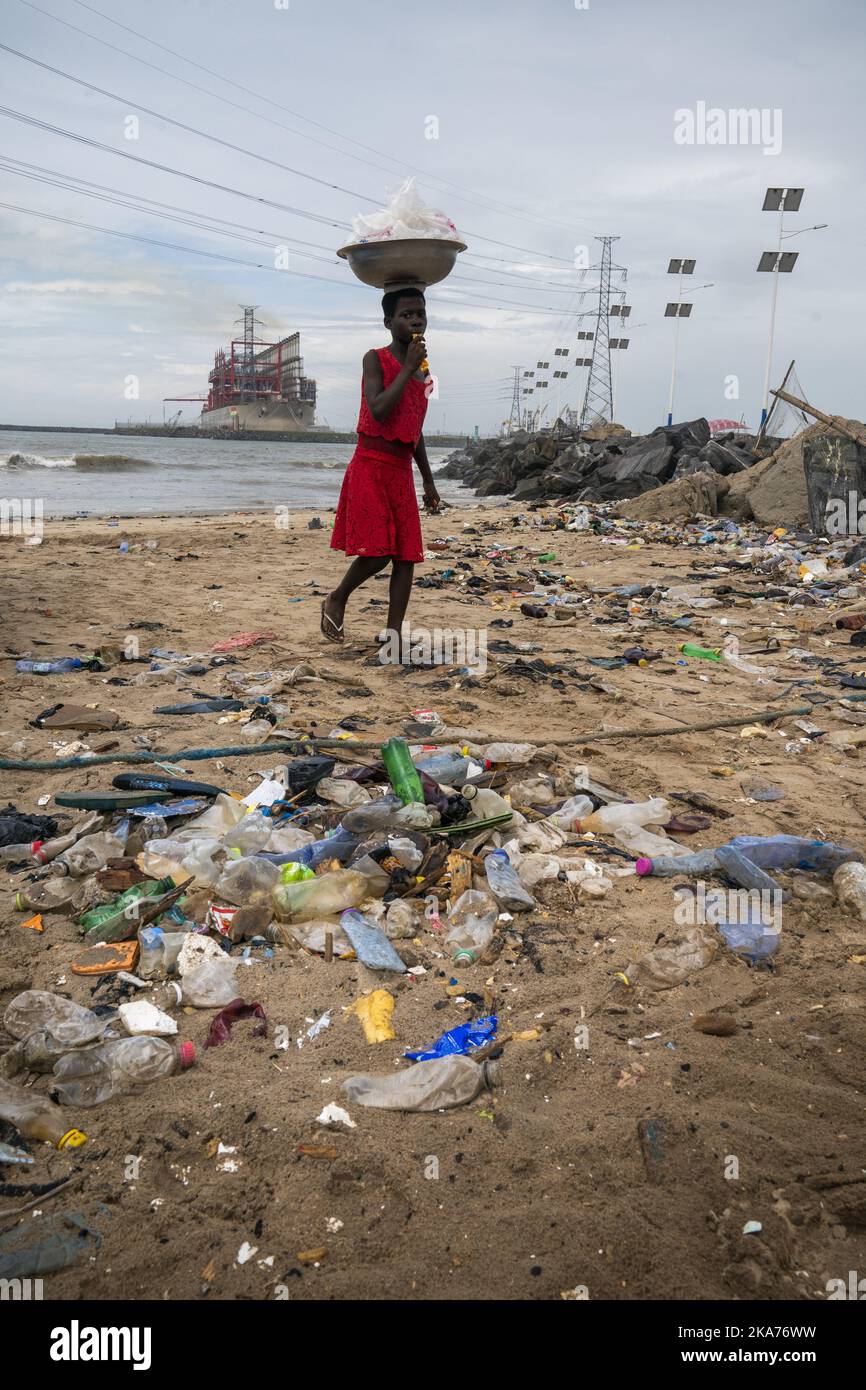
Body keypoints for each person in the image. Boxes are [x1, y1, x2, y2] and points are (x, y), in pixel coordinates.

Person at [322, 287, 440, 646]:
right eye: (406, 315)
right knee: (379, 553)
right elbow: (378, 408)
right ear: (389, 322)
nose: (415, 319)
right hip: (371, 466)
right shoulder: (374, 359)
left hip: (401, 470)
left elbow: (414, 431)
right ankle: (337, 598)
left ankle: (393, 636)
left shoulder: (424, 374)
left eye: (420, 313)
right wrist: (406, 368)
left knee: (406, 558)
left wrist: (429, 483)